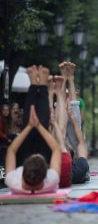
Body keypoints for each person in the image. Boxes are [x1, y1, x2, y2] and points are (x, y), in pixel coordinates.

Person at [5, 65, 61, 194]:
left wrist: (31, 125)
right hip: (37, 154)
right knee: (38, 130)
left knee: (29, 131)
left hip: (30, 154)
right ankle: (40, 86)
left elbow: (12, 150)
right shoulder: (50, 180)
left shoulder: (13, 180)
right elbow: (56, 149)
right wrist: (37, 126)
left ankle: (37, 86)